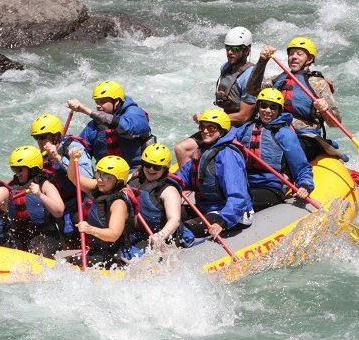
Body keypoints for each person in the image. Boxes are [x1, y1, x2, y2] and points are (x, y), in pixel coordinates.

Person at [247, 36, 344, 161]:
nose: (293, 57)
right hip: (276, 130)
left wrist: (325, 110)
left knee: (285, 153)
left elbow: (335, 122)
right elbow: (251, 90)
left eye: (299, 54)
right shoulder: (278, 79)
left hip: (305, 136)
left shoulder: (318, 83)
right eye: (291, 54)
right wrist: (262, 61)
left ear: (309, 59)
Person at [175, 27, 258, 167]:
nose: (230, 52)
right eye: (228, 48)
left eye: (236, 49)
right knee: (180, 148)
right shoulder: (226, 67)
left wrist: (211, 120)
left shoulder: (250, 76)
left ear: (246, 50)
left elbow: (244, 116)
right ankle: (190, 183)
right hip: (224, 123)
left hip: (241, 127)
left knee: (187, 149)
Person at [174, 109, 254, 240]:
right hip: (207, 207)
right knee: (165, 214)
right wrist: (164, 180)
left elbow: (237, 196)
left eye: (211, 128)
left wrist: (222, 221)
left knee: (183, 229)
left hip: (232, 213)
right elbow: (183, 176)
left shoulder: (228, 155)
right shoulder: (204, 150)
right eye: (203, 127)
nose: (205, 131)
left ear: (222, 130)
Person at [234, 88, 315, 211]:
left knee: (239, 202)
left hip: (270, 187)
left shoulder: (284, 133)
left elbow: (301, 165)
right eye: (264, 106)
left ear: (279, 110)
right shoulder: (246, 128)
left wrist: (305, 185)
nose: (267, 110)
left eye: (273, 107)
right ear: (258, 107)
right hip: (244, 184)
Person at [30, 113, 94, 247]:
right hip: (59, 202)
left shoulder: (74, 147)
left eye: (43, 137)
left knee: (77, 218)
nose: (40, 142)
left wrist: (58, 158)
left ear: (56, 136)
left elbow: (86, 177)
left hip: (80, 198)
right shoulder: (41, 156)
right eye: (37, 138)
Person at [68, 153, 138, 268]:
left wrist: (89, 229)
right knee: (69, 262)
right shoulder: (100, 186)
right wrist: (72, 159)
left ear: (119, 181)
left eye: (106, 176)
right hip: (100, 249)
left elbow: (113, 235)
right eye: (98, 174)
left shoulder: (118, 203)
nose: (100, 179)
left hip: (116, 255)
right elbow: (74, 178)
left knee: (73, 264)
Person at [66, 79, 152, 168]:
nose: (98, 106)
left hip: (136, 171)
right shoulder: (94, 125)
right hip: (106, 174)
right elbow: (81, 144)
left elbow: (126, 127)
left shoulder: (135, 113)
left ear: (117, 101)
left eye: (103, 102)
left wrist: (84, 110)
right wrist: (69, 150)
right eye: (97, 102)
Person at [127, 143, 196, 250]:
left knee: (128, 255)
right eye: (147, 164)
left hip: (161, 236)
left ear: (165, 168)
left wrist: (160, 236)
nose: (150, 169)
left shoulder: (169, 190)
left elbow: (174, 220)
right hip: (137, 233)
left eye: (157, 167)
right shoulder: (134, 178)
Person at [6, 145, 66, 258]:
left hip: (45, 235)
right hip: (20, 234)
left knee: (37, 248)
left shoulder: (45, 185)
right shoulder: (12, 185)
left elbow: (59, 211)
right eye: (14, 169)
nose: (17, 173)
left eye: (20, 169)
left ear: (32, 169)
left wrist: (39, 194)